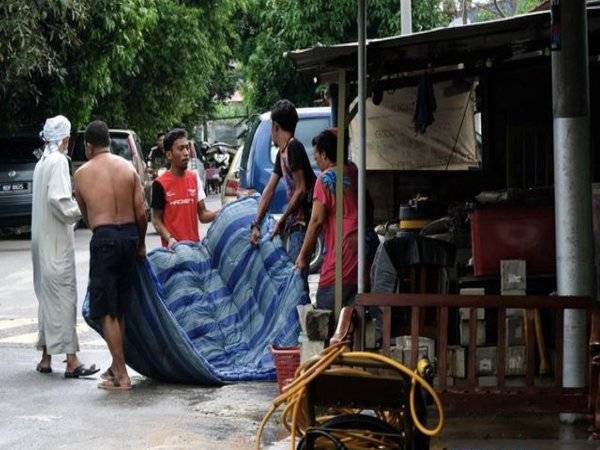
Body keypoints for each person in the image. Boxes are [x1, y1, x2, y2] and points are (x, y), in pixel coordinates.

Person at [74, 120, 147, 390]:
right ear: (109, 142)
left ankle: (122, 374)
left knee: (107, 311)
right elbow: (141, 212)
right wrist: (140, 244)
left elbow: (85, 214)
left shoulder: (82, 174)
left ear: (88, 146)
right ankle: (116, 367)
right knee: (121, 309)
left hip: (104, 238)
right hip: (129, 237)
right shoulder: (127, 168)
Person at [32, 115, 99, 378]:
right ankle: (72, 360)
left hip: (41, 241)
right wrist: (83, 210)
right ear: (66, 139)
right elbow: (59, 201)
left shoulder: (41, 163)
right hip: (55, 242)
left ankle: (46, 357)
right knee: (63, 297)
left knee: (48, 298)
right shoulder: (59, 161)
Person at [295, 129, 359, 310]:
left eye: (317, 158)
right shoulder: (353, 170)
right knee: (354, 316)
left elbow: (315, 222)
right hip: (362, 255)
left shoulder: (325, 179)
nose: (317, 163)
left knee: (325, 309)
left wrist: (302, 257)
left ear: (324, 154)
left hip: (342, 257)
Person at [250, 99, 316, 263]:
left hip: (305, 221)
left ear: (275, 126)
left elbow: (301, 189)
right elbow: (269, 190)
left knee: (297, 276)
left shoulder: (294, 147)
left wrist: (283, 219)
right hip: (295, 221)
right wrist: (256, 224)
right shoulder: (282, 153)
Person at [151, 128, 217, 248]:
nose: (186, 152)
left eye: (187, 147)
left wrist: (223, 212)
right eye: (181, 149)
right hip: (173, 253)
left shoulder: (194, 178)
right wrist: (169, 239)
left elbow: (203, 214)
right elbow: (156, 219)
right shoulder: (159, 184)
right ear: (169, 154)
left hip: (194, 251)